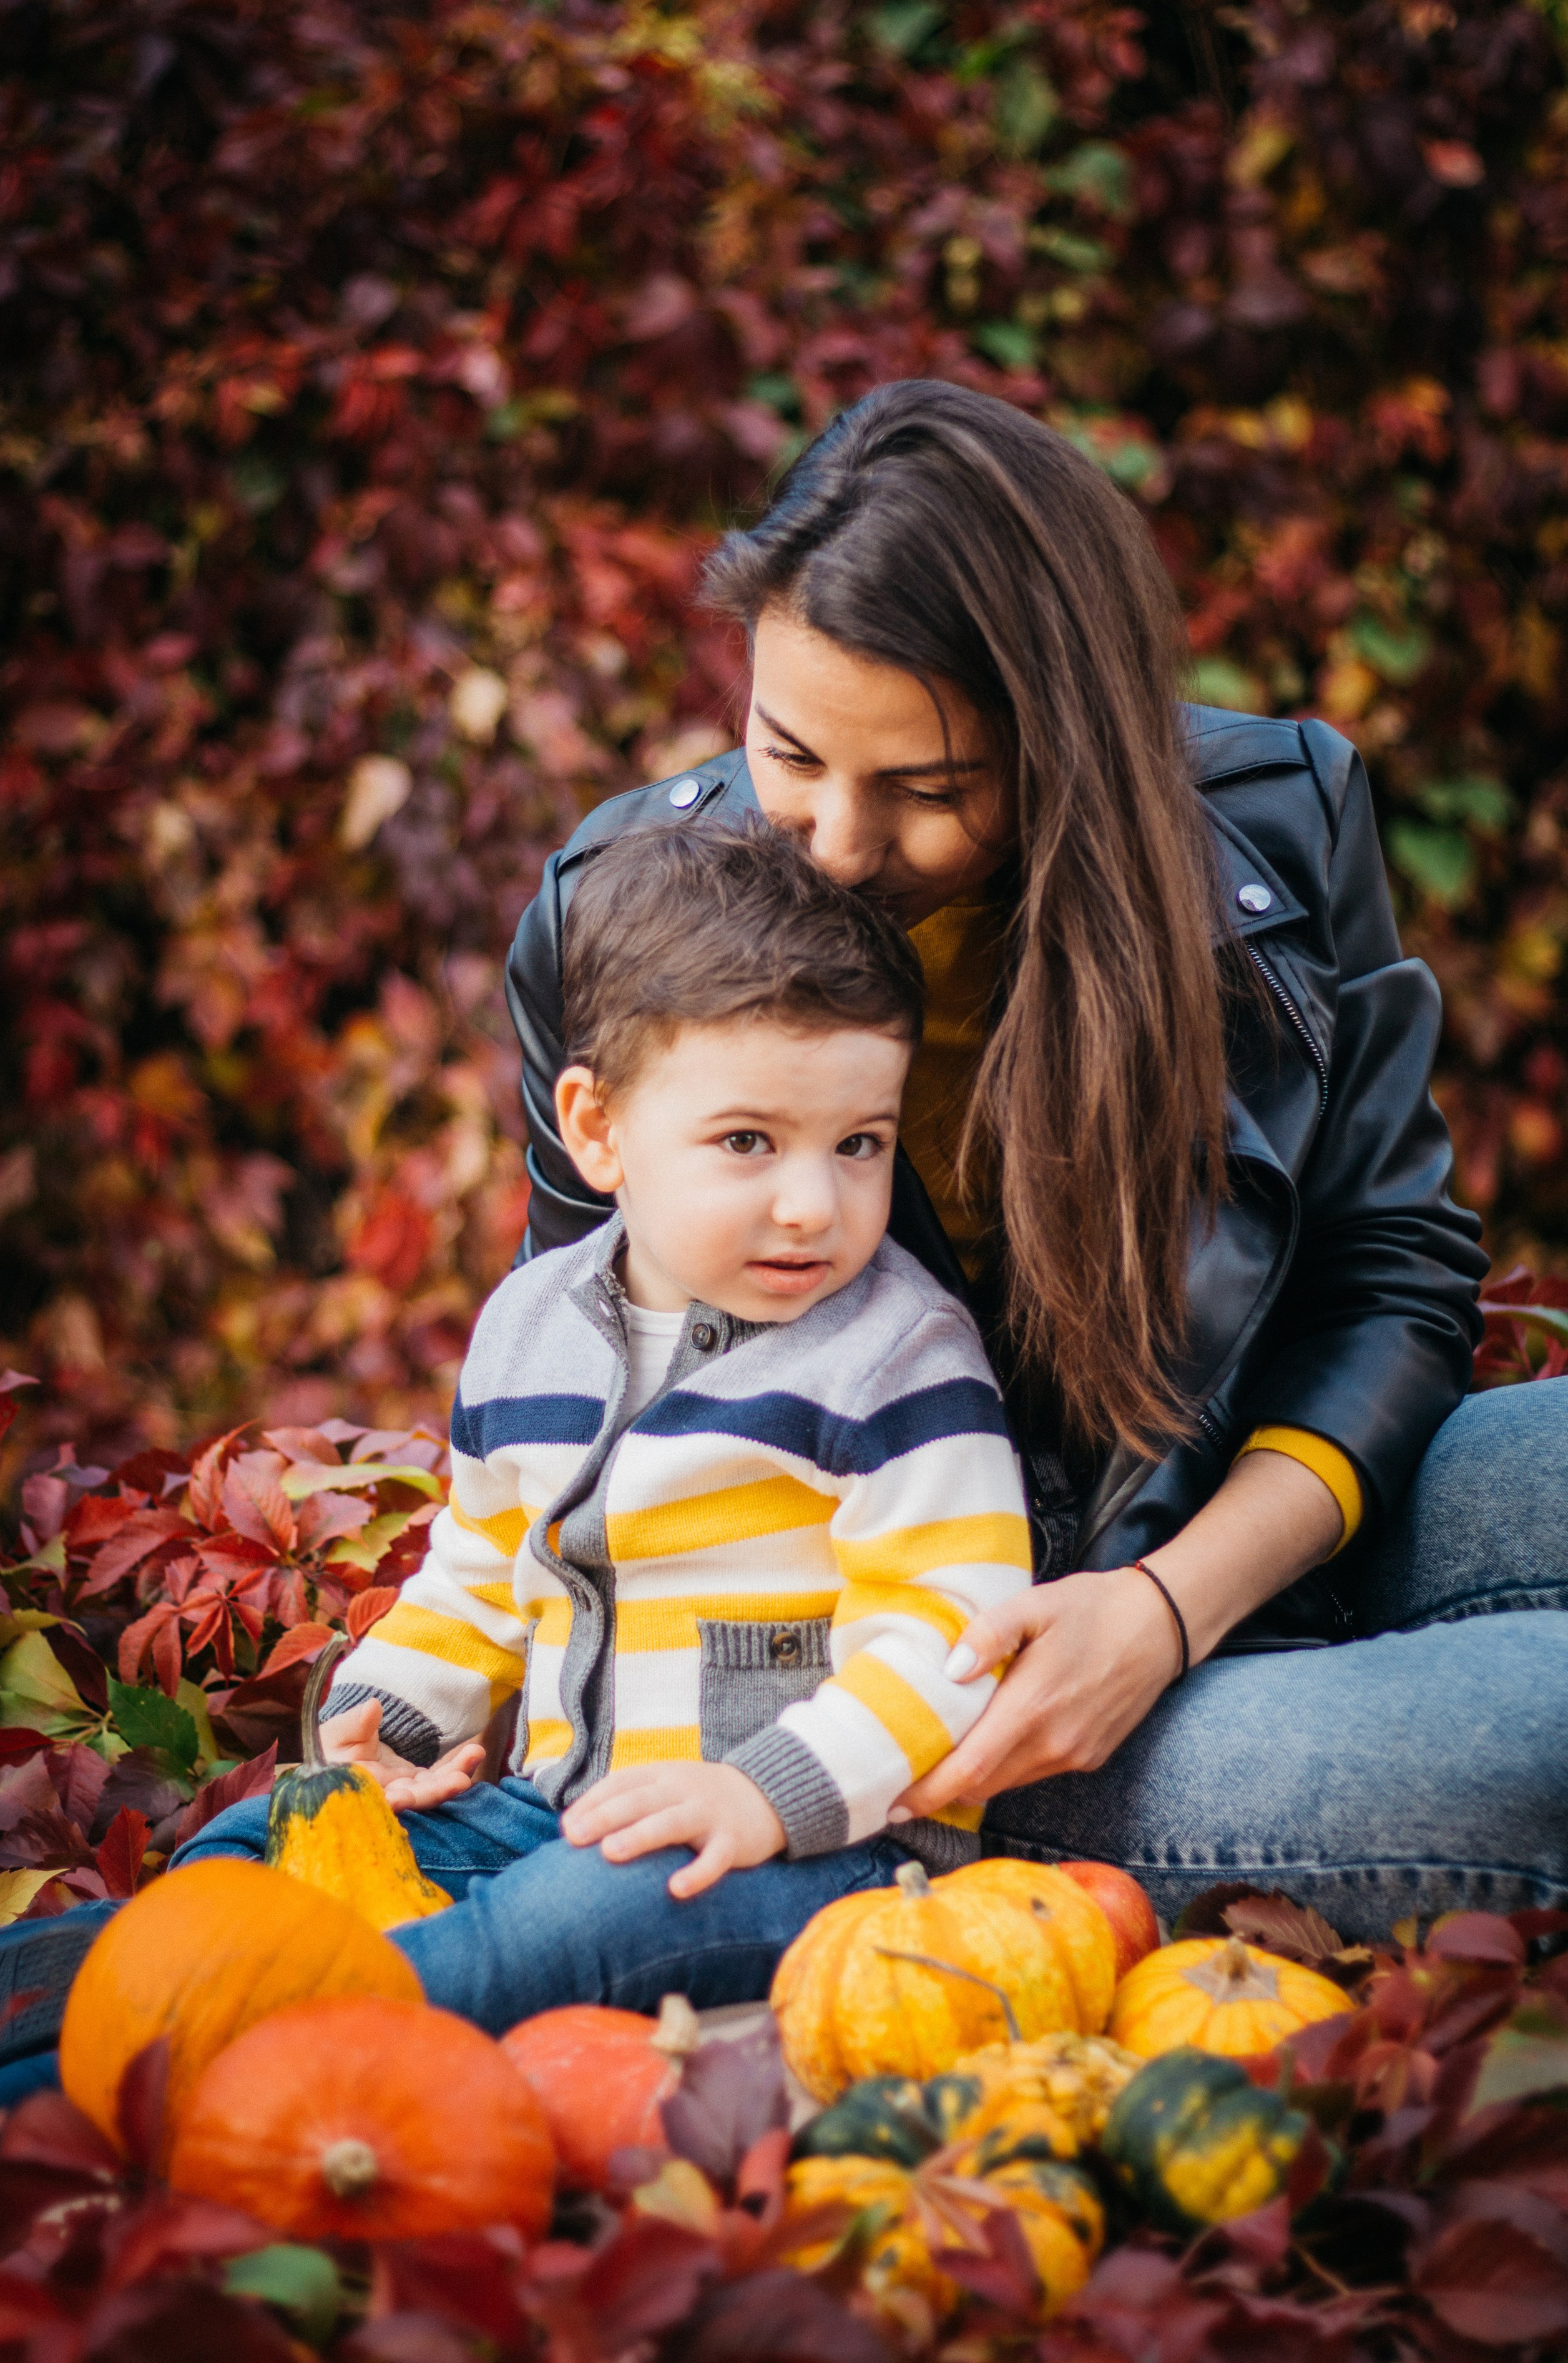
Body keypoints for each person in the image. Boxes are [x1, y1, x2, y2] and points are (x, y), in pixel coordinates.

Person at [504, 379, 1568, 1939]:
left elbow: (1384, 1282)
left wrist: (1163, 1605)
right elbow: (599, 1373)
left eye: (929, 790)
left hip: (1207, 1543)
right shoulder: (617, 921)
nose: (839, 843)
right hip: (903, 1694)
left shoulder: (1273, 828)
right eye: (787, 752)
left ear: (1073, 741)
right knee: (1543, 1728)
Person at [167, 818, 1044, 2028]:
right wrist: (389, 1725)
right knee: (243, 1851)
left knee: (539, 1936)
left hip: (823, 1853)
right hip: (556, 1808)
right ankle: (124, 2010)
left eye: (860, 1145)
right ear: (595, 1129)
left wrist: (761, 1796)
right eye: (747, 1142)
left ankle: (270, 2035)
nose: (813, 1202)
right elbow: (475, 1575)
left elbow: (955, 1633)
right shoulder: (533, 1324)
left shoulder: (895, 1355)